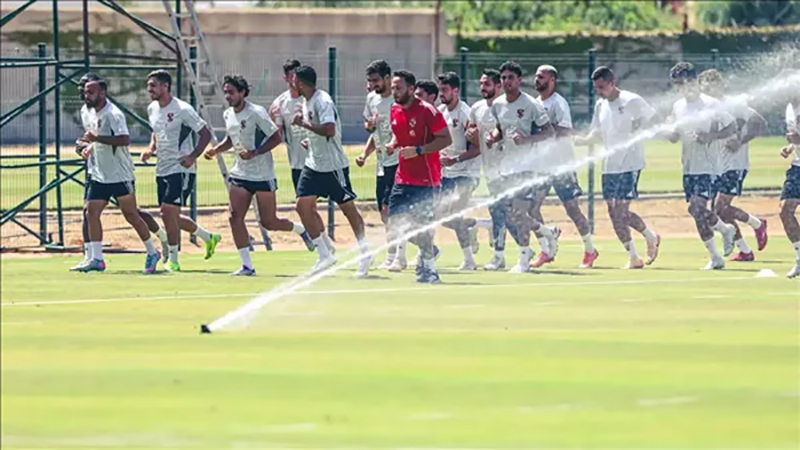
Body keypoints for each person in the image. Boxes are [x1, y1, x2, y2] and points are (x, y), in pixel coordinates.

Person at [204, 74, 313, 276]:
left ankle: (300, 229)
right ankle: (247, 266)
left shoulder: (256, 113)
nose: (228, 96)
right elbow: (231, 138)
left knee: (269, 222)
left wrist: (255, 152)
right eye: (226, 92)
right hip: (240, 173)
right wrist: (216, 150)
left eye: (232, 92)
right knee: (234, 217)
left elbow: (276, 137)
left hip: (262, 174)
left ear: (242, 93)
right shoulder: (228, 114)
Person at [71, 73, 171, 271]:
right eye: (85, 92)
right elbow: (91, 138)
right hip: (99, 172)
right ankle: (96, 259)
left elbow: (125, 140)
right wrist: (83, 146)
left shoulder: (113, 114)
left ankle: (152, 251)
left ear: (102, 93)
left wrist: (97, 140)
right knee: (91, 212)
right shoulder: (86, 111)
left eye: (90, 92)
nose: (86, 95)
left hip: (120, 174)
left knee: (131, 215)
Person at [574, 66, 661, 269]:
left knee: (621, 210)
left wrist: (639, 128)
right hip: (609, 165)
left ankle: (649, 238)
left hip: (630, 162)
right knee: (613, 212)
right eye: (596, 88)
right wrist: (583, 141)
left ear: (612, 83)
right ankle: (636, 253)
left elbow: (655, 120)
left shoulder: (632, 101)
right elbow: (597, 132)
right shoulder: (600, 105)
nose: (599, 92)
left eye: (602, 87)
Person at [292, 65, 373, 277]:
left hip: (333, 166)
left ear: (300, 83)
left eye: (293, 81)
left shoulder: (322, 100)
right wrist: (310, 141)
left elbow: (329, 129)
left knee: (348, 209)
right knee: (302, 206)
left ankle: (365, 252)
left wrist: (305, 124)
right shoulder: (306, 100)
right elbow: (319, 132)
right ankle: (324, 253)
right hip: (313, 165)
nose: (291, 84)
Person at [142, 70, 221, 272]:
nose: (149, 89)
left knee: (167, 212)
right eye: (148, 85)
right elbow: (157, 130)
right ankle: (209, 237)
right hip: (162, 168)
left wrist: (192, 156)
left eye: (153, 85)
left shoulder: (183, 109)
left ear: (165, 86)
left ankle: (174, 259)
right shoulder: (152, 108)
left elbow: (205, 133)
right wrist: (151, 148)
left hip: (181, 168)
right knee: (171, 216)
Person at [487, 60, 559, 273]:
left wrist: (526, 140)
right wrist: (493, 137)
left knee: (519, 213)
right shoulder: (498, 104)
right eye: (503, 78)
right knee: (511, 215)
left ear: (519, 80)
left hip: (526, 168)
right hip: (506, 167)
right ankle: (546, 231)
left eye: (511, 77)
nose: (506, 81)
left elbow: (550, 132)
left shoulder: (530, 104)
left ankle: (523, 260)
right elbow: (500, 129)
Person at [666, 62, 737, 270]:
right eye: (677, 84)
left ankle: (721, 241)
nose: (682, 87)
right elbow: (674, 137)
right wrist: (667, 132)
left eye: (686, 81)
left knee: (697, 207)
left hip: (709, 166)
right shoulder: (678, 106)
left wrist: (711, 136)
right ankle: (718, 249)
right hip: (688, 167)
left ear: (695, 80)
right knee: (695, 210)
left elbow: (731, 127)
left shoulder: (712, 104)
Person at [388, 69, 452, 283]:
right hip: (402, 177)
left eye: (399, 88)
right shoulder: (394, 110)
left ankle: (430, 270)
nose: (394, 91)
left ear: (411, 89)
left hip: (426, 179)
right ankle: (430, 250)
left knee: (421, 224)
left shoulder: (428, 111)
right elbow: (400, 134)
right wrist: (392, 144)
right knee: (394, 223)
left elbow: (445, 139)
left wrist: (419, 150)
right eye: (393, 88)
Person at [698, 69, 769, 261]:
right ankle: (745, 250)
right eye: (704, 84)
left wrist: (741, 140)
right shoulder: (706, 107)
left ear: (720, 85)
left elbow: (759, 122)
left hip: (735, 164)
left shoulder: (734, 104)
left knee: (721, 208)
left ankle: (757, 224)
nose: (706, 88)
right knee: (717, 211)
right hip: (717, 165)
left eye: (710, 84)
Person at [532, 64, 597, 268]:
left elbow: (565, 130)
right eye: (536, 76)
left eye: (541, 77)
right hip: (541, 166)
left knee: (572, 209)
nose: (537, 80)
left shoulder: (558, 103)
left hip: (561, 165)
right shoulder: (534, 103)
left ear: (552, 80)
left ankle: (590, 249)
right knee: (532, 208)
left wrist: (542, 130)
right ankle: (546, 247)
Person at [467, 68, 520, 271]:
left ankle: (499, 256)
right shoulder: (477, 108)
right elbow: (472, 137)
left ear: (498, 86)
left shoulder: (505, 107)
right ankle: (543, 238)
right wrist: (471, 134)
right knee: (506, 213)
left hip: (507, 168)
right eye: (481, 84)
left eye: (487, 84)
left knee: (500, 211)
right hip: (488, 168)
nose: (483, 87)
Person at [356, 60, 406, 271]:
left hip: (399, 162)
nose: (373, 85)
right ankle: (402, 250)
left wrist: (396, 144)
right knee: (384, 213)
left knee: (393, 210)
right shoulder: (371, 100)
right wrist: (364, 154)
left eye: (376, 80)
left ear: (387, 78)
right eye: (370, 81)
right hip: (381, 164)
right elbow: (372, 130)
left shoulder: (398, 101)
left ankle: (395, 255)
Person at [436, 71, 482, 270]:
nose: (441, 94)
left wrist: (454, 159)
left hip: (468, 172)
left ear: (456, 90)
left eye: (445, 90)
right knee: (439, 215)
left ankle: (469, 260)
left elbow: (477, 148)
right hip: (448, 172)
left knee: (454, 213)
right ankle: (472, 225)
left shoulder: (467, 113)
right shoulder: (441, 111)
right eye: (440, 90)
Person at [780, 78, 800, 278]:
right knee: (785, 211)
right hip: (798, 166)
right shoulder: (789, 108)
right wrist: (790, 147)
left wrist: (796, 139)